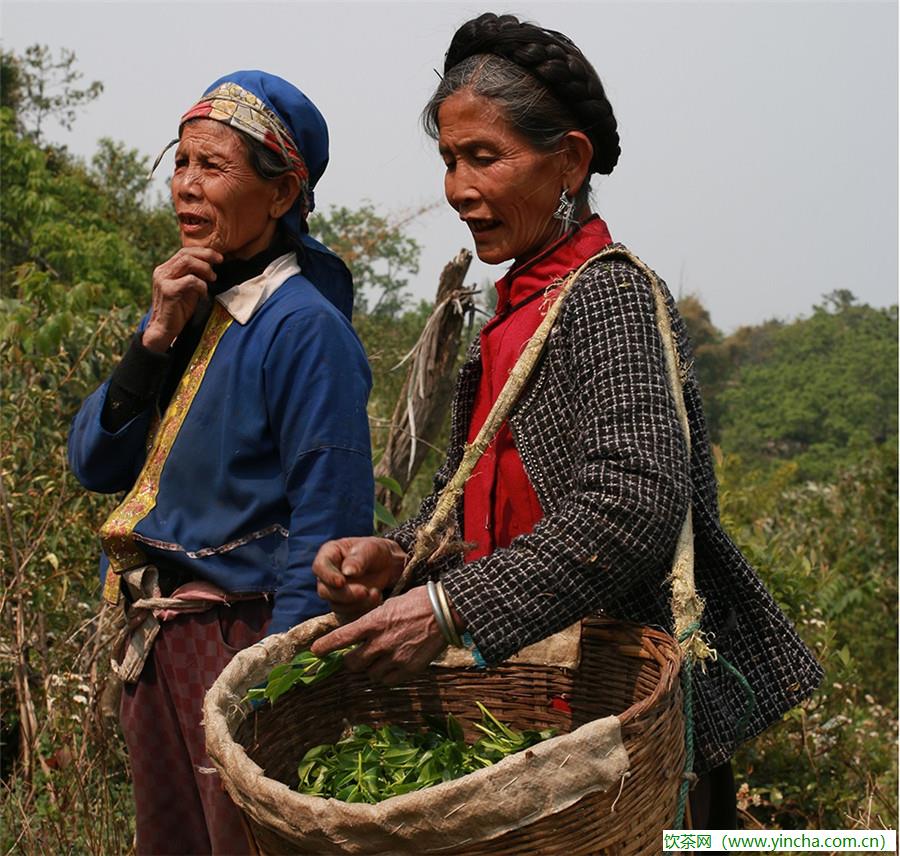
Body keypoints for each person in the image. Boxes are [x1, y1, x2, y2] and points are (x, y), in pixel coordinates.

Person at [310, 13, 822, 829]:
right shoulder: (513, 313)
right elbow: (469, 498)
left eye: (485, 156)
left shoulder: (608, 296)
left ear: (569, 162)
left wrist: (448, 610)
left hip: (620, 713)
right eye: (449, 159)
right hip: (527, 704)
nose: (458, 188)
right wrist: (399, 553)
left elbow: (632, 507)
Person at [68, 71, 374, 854]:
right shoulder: (185, 303)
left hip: (240, 647)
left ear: (280, 197)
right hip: (159, 641)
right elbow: (94, 465)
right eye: (182, 162)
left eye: (214, 167)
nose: (187, 187)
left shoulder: (305, 329)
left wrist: (275, 688)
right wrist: (154, 338)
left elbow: (329, 524)